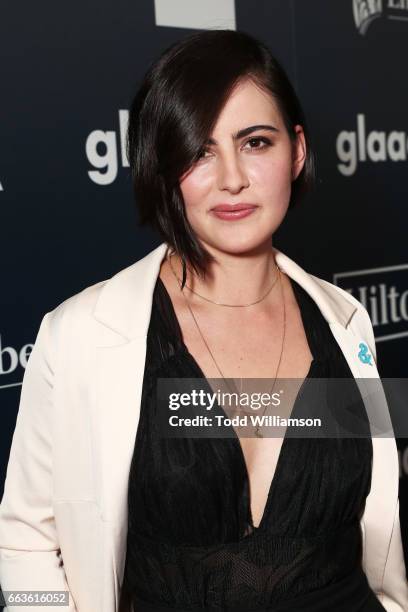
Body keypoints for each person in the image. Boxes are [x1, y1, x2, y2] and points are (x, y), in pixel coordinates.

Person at [0, 29, 406, 612]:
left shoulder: (347, 325)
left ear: (296, 151)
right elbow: (26, 540)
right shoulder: (82, 335)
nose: (232, 178)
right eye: (199, 150)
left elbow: (375, 534)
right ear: (163, 166)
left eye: (256, 142)